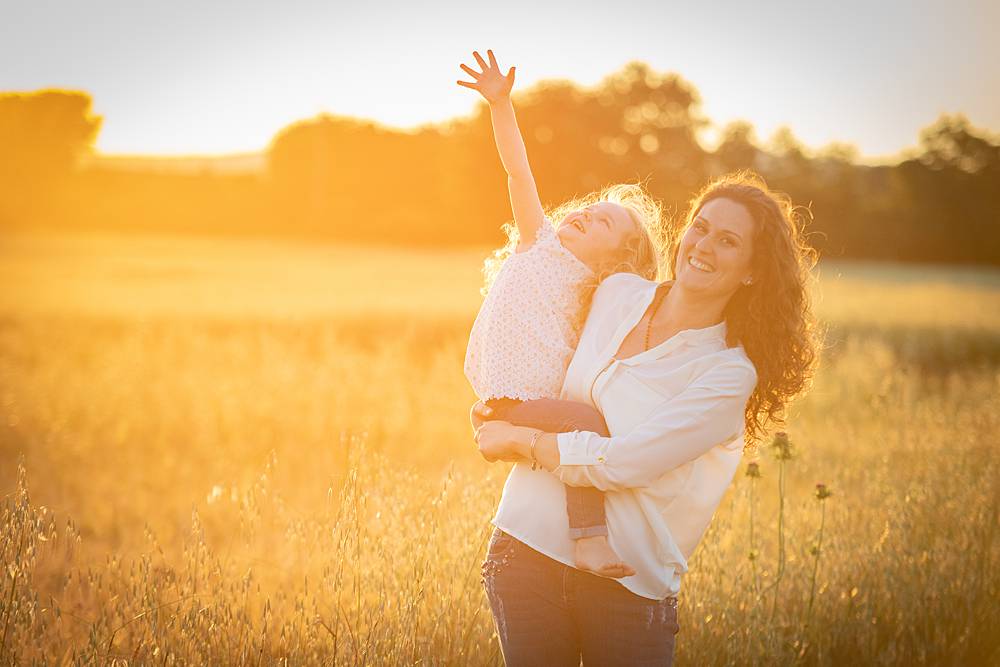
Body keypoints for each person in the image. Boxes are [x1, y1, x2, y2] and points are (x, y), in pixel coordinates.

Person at [472, 171, 821, 666]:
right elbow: (538, 307)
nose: (703, 246)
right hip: (525, 550)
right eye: (700, 228)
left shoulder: (726, 373)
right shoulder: (615, 293)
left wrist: (518, 439)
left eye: (728, 241)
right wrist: (495, 402)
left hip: (627, 587)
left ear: (753, 271)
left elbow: (623, 465)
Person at [458, 49, 663, 578]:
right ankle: (590, 540)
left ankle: (586, 536)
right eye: (589, 209)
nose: (585, 215)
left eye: (601, 224)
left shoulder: (598, 293)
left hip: (525, 404)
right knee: (585, 425)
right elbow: (517, 171)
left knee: (587, 425)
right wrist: (501, 106)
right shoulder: (538, 242)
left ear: (615, 258)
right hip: (509, 400)